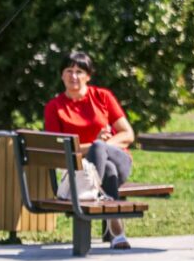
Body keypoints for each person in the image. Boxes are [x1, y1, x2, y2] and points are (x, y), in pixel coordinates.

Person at [43, 51, 136, 250]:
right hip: (80, 169)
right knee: (107, 169)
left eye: (79, 71)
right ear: (62, 75)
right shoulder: (55, 107)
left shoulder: (102, 97)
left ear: (88, 76)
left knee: (103, 152)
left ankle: (92, 194)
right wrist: (93, 146)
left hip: (118, 160)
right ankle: (116, 232)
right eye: (69, 71)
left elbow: (128, 134)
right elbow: (57, 149)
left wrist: (102, 145)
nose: (74, 76)